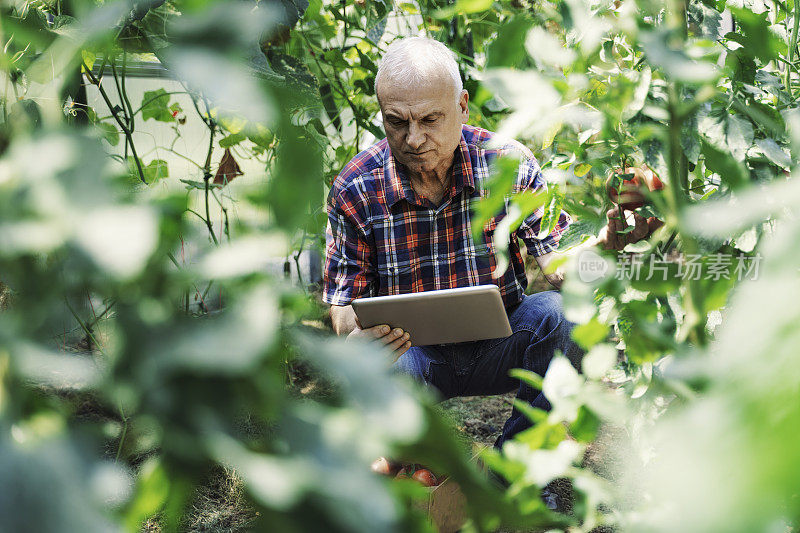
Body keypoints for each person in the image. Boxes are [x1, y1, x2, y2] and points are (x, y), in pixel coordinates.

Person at [323, 37, 652, 448]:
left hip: (504, 342)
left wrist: (606, 244)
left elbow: (559, 268)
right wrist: (354, 337)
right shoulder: (356, 188)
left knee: (564, 314)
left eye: (429, 120)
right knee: (372, 365)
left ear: (462, 106)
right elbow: (342, 302)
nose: (413, 138)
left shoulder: (506, 164)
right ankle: (412, 472)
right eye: (397, 122)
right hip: (411, 355)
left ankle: (522, 461)